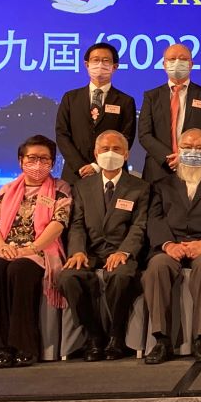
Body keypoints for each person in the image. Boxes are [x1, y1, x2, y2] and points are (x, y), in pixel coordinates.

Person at [143, 128, 201, 364]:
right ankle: (161, 339)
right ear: (178, 149)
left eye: (199, 148)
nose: (193, 151)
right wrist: (168, 244)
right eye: (187, 147)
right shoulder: (162, 185)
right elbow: (154, 218)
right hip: (170, 245)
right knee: (157, 267)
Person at [0, 135, 72, 368]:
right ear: (21, 160)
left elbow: (59, 223)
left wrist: (31, 248)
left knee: (20, 270)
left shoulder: (60, 188)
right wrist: (1, 247)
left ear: (52, 163)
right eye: (32, 158)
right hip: (7, 249)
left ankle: (24, 346)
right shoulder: (7, 189)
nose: (38, 164)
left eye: (44, 159)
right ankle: (0, 348)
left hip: (40, 251)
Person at [60, 130, 150, 361]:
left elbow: (139, 226)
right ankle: (94, 335)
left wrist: (124, 252)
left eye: (116, 149)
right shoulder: (82, 186)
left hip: (121, 252)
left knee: (121, 277)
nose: (110, 153)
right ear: (96, 154)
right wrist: (77, 251)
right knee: (68, 278)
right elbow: (77, 224)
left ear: (126, 154)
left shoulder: (140, 187)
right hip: (90, 253)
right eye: (105, 149)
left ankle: (116, 336)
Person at [55, 42, 136, 185]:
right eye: (95, 60)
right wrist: (80, 166)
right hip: (75, 174)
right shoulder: (70, 98)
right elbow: (62, 134)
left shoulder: (125, 101)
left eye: (106, 61)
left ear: (115, 67)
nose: (100, 65)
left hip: (112, 172)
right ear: (87, 64)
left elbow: (126, 137)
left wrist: (97, 166)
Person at [138, 43, 201, 183]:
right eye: (172, 59)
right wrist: (168, 157)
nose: (177, 63)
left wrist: (185, 156)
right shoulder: (152, 96)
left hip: (197, 165)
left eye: (183, 59)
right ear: (164, 64)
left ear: (191, 64)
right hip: (159, 167)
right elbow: (144, 134)